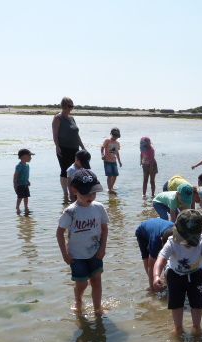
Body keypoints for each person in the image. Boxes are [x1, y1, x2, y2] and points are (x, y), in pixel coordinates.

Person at [153, 210, 202, 336]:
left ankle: (196, 326)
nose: (187, 243)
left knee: (197, 303)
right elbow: (161, 260)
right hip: (175, 274)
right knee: (176, 303)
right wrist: (156, 276)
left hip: (197, 274)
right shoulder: (172, 241)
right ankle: (178, 327)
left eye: (191, 240)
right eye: (185, 239)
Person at [56, 170, 108, 314]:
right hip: (76, 255)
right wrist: (65, 254)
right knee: (82, 283)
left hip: (95, 252)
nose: (90, 197)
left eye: (93, 193)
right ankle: (78, 299)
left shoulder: (99, 208)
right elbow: (59, 233)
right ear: (74, 190)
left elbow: (104, 229)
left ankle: (98, 308)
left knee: (96, 280)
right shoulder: (70, 212)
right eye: (86, 193)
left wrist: (103, 248)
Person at [52, 97, 85, 202]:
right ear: (64, 106)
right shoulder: (58, 118)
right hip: (63, 148)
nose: (71, 108)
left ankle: (74, 191)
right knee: (65, 171)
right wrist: (57, 146)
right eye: (70, 106)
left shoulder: (72, 118)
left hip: (75, 149)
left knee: (76, 170)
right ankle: (66, 193)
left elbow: (76, 134)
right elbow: (55, 135)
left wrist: (83, 147)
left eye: (72, 106)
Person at [135, 218, 174, 291]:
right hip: (142, 232)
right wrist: (154, 282)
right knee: (147, 258)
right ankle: (152, 286)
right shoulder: (155, 241)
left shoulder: (178, 234)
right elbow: (151, 265)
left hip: (159, 227)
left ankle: (165, 280)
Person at [101, 128, 122, 194]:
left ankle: (111, 187)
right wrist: (102, 155)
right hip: (107, 161)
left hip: (114, 161)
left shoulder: (117, 143)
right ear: (111, 134)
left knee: (115, 175)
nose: (115, 137)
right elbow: (102, 148)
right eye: (114, 135)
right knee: (109, 175)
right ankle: (109, 189)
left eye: (117, 136)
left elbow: (116, 152)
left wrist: (119, 161)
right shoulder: (107, 141)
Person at [13, 148, 33, 215]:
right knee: (20, 197)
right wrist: (15, 185)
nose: (31, 158)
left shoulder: (27, 165)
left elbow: (25, 175)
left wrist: (27, 181)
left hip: (25, 184)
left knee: (26, 196)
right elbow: (15, 176)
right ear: (23, 157)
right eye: (29, 156)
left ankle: (26, 207)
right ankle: (17, 207)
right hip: (20, 184)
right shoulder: (19, 166)